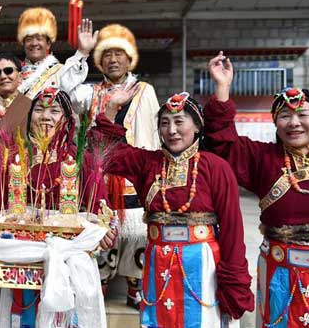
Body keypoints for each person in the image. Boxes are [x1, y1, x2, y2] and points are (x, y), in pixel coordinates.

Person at [103, 89, 254, 327]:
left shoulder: (215, 167)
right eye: (164, 123)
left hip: (202, 267)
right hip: (157, 262)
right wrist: (111, 108)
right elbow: (107, 154)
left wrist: (234, 280)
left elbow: (232, 229)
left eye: (179, 122)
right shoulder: (148, 163)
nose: (171, 130)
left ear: (197, 127)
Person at [203, 52, 309, 327]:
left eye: (303, 114)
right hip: (279, 272)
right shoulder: (263, 158)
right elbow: (222, 143)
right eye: (285, 116)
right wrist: (223, 88)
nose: (294, 122)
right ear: (276, 124)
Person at [0, 87, 116, 328]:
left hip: (68, 256)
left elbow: (99, 207)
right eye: (39, 109)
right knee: (21, 317)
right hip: (21, 255)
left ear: (67, 119)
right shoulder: (14, 157)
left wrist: (106, 231)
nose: (45, 116)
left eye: (54, 111)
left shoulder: (81, 157)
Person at [69, 23, 160, 307]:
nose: (113, 60)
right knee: (100, 234)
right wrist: (81, 54)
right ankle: (99, 289)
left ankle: (136, 289)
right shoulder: (91, 93)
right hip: (101, 180)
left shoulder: (145, 91)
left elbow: (155, 134)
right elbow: (66, 90)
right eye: (107, 54)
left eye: (119, 53)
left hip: (135, 176)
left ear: (129, 58)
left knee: (137, 233)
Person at [0, 0, 91, 96]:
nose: (34, 43)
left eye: (39, 39)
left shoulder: (61, 72)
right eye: (29, 39)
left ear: (48, 43)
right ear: (23, 43)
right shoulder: (11, 70)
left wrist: (82, 52)